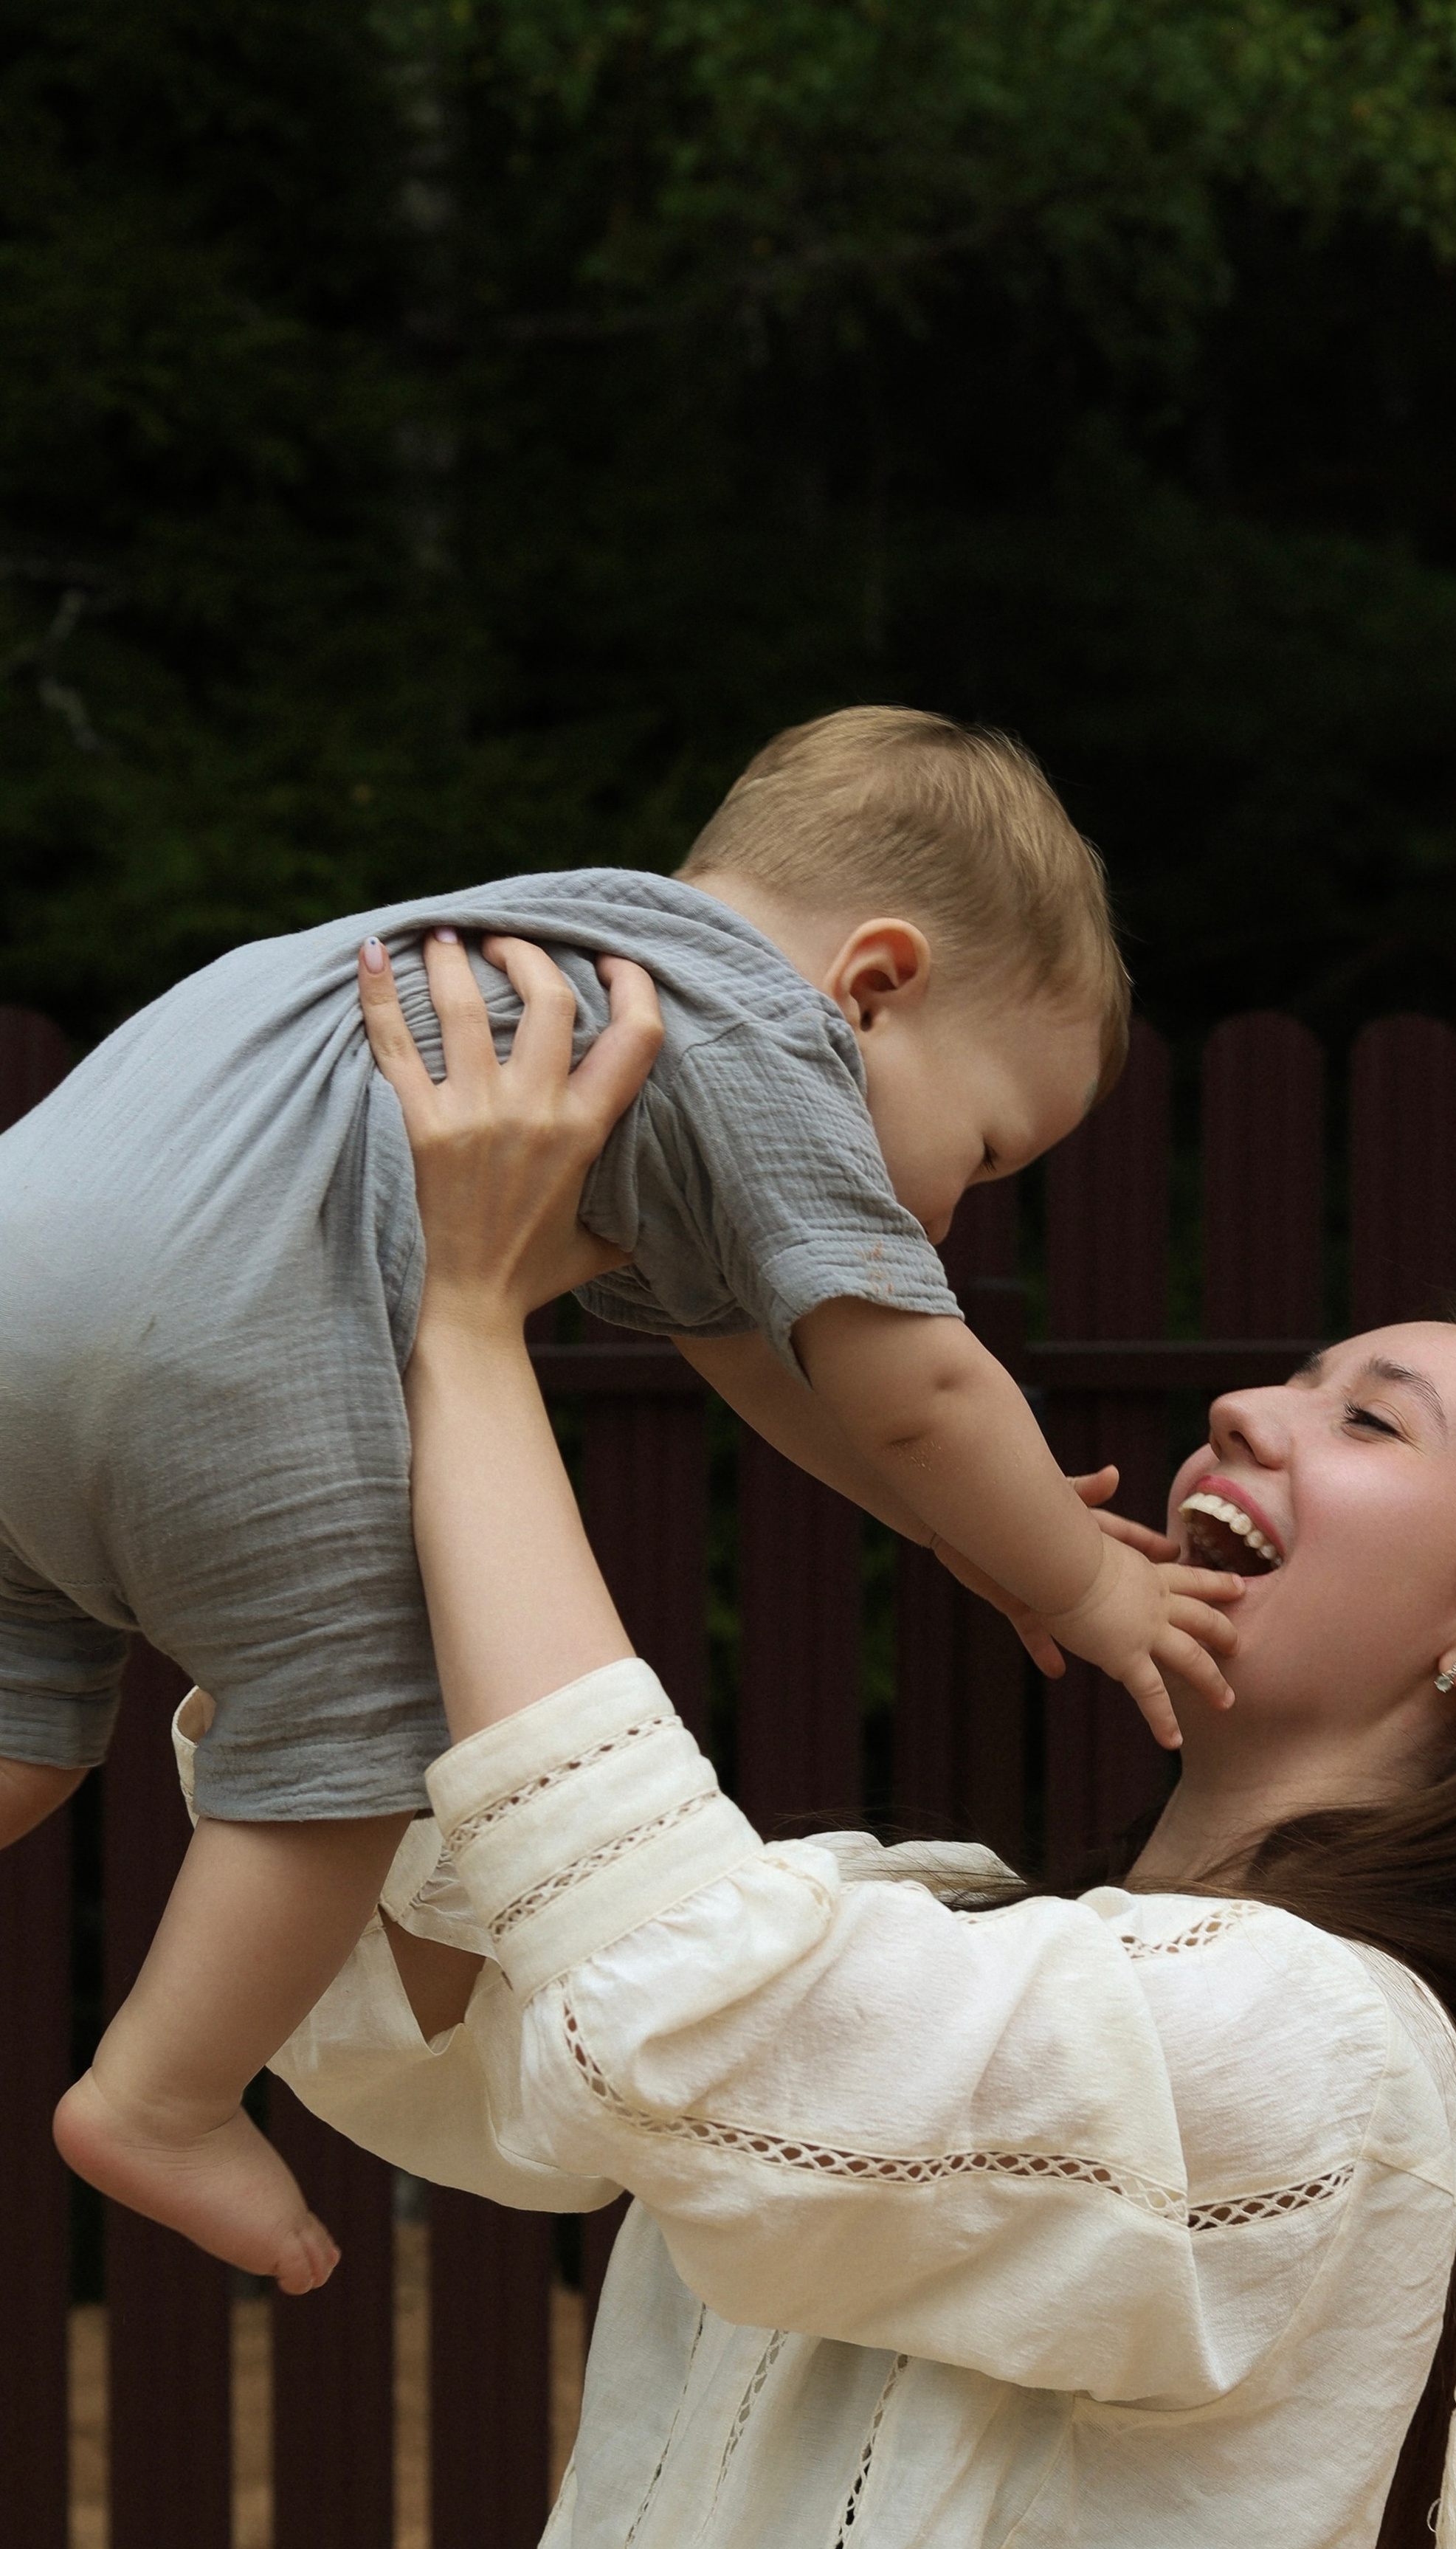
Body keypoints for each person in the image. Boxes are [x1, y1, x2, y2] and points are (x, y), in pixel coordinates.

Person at [250, 935, 1456, 2549]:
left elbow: (690, 2027)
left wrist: (471, 1331)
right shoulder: (955, 1930)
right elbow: (466, 2040)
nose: (1247, 1415)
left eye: (1368, 1420)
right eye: (1286, 1377)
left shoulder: (1326, 2059)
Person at [0, 706, 1240, 2291]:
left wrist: (955, 1529)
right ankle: (159, 2097)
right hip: (219, 1329)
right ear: (875, 985)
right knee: (368, 1712)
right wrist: (1078, 1581)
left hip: (34, 1271)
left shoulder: (579, 970)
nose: (948, 1208)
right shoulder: (759, 1033)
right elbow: (919, 1388)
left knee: (28, 1724)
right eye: (985, 1149)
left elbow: (749, 1354)